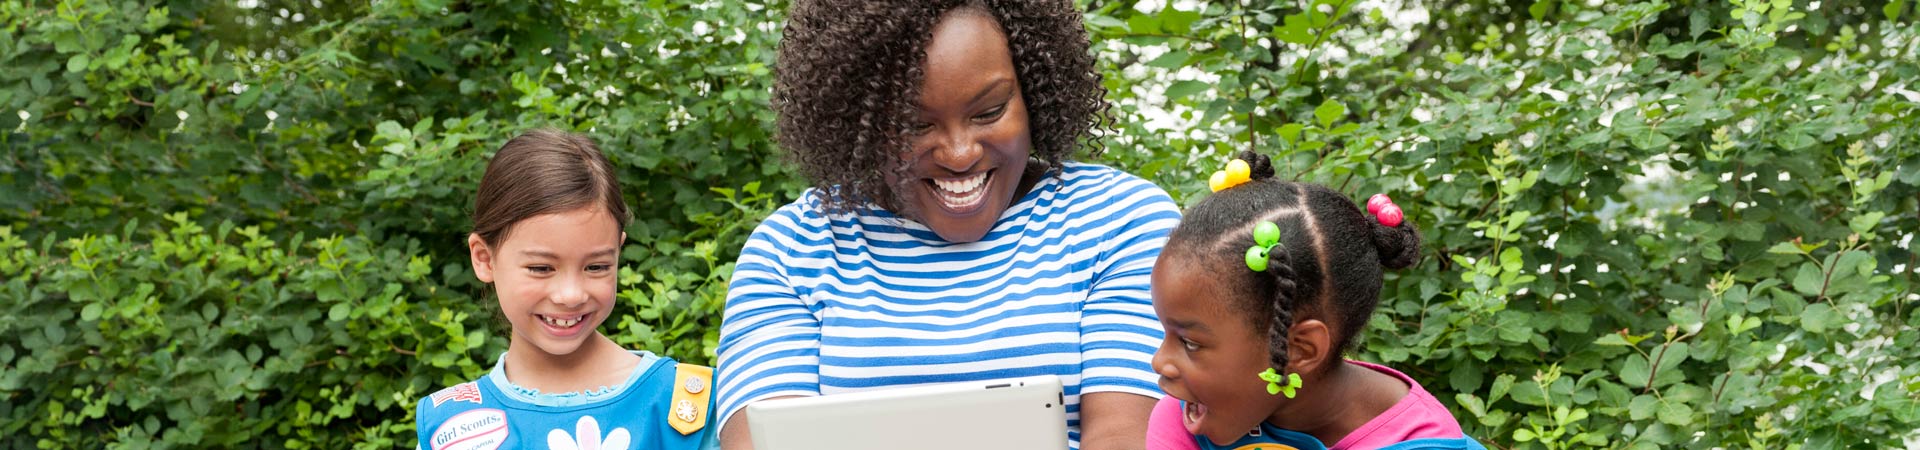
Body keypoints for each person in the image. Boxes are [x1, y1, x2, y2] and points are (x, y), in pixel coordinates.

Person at [713, 1, 1180, 449]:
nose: (960, 154)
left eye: (989, 111)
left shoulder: (1119, 221)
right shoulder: (791, 251)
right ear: (860, 119)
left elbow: (1128, 438)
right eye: (915, 125)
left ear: (1034, 94)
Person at [1145, 151, 1483, 450]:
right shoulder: (1187, 419)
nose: (1159, 362)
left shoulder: (1421, 443)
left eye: (1189, 342)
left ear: (1299, 349)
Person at [415, 130, 718, 450]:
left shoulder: (685, 407)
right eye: (541, 268)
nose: (571, 295)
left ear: (619, 252)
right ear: (484, 258)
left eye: (597, 267)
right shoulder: (448, 426)